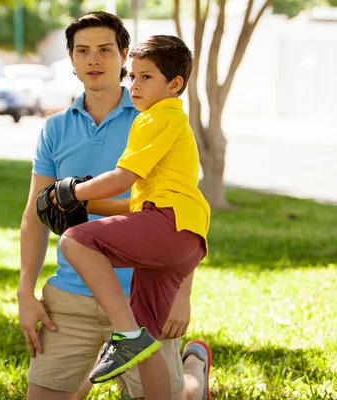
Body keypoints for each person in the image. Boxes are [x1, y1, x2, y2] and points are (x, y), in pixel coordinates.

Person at [17, 11, 211, 400]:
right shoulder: (55, 129)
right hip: (70, 296)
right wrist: (25, 292)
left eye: (105, 50)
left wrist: (182, 295)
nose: (94, 60)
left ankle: (193, 373)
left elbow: (178, 211)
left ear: (124, 55)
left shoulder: (154, 115)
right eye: (83, 51)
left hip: (141, 294)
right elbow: (35, 215)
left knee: (171, 396)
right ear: (70, 60)